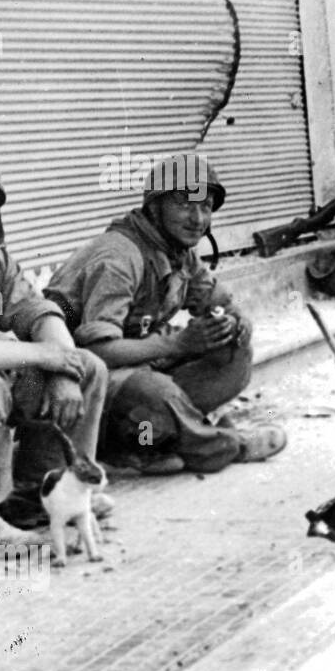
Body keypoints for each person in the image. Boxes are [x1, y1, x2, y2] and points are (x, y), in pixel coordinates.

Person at [46, 153, 286, 475]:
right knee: (155, 393)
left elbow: (219, 300)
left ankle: (142, 446)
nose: (197, 219)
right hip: (80, 383)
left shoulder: (177, 250)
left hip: (134, 367)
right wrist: (178, 345)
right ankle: (224, 445)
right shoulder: (119, 257)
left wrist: (236, 322)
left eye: (205, 207)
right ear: (154, 207)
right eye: (184, 205)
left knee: (232, 353)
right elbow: (95, 352)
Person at [0, 141, 109, 544]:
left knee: (88, 367)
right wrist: (44, 355)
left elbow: (37, 312)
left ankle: (42, 493)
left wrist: (64, 368)